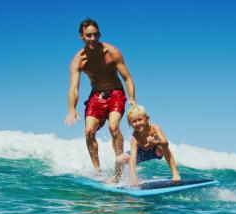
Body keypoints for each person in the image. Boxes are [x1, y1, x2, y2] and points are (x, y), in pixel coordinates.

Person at [64, 18, 136, 179]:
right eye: (89, 35)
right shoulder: (79, 60)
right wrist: (71, 109)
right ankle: (98, 171)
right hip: (96, 96)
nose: (93, 39)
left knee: (113, 126)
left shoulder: (111, 52)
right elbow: (74, 88)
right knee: (89, 131)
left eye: (96, 35)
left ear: (99, 34)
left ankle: (118, 171)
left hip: (116, 93)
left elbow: (127, 78)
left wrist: (131, 97)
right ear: (81, 37)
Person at [112, 104, 180, 186]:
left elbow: (166, 143)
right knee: (119, 159)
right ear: (130, 124)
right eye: (133, 121)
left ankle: (175, 173)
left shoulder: (154, 128)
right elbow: (133, 158)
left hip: (156, 151)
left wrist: (155, 142)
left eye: (140, 119)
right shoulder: (135, 137)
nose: (137, 123)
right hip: (141, 154)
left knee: (163, 146)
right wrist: (133, 178)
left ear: (147, 119)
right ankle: (117, 178)